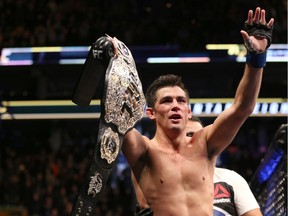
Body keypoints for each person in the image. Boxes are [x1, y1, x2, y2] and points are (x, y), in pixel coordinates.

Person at [120, 7, 274, 216]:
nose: (175, 105)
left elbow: (242, 108)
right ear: (151, 113)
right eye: (166, 101)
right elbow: (117, 123)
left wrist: (257, 58)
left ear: (188, 110)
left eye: (181, 101)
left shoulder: (205, 144)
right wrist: (113, 71)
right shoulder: (143, 150)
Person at [132, 116, 263, 216]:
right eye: (186, 135)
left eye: (198, 135)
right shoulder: (157, 181)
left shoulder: (230, 179)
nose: (192, 140)